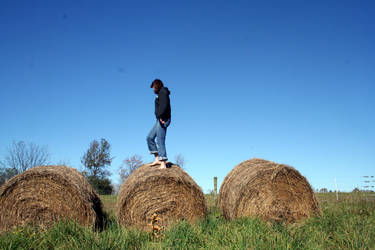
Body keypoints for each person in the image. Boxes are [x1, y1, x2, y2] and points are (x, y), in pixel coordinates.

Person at [146, 79, 171, 169]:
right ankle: (157, 159)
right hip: (159, 119)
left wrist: (161, 116)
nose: (153, 89)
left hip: (163, 118)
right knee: (149, 137)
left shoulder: (163, 92)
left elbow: (164, 105)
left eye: (153, 87)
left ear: (156, 85)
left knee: (160, 140)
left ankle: (163, 162)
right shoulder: (158, 95)